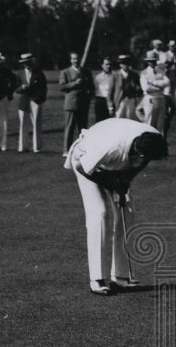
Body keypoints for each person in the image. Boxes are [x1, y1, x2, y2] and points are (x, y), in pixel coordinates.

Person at [64, 118, 168, 295]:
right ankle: (97, 279)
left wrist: (124, 183)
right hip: (84, 158)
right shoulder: (110, 147)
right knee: (100, 213)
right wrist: (113, 185)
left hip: (116, 164)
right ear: (139, 152)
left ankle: (120, 276)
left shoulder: (154, 139)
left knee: (127, 210)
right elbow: (83, 167)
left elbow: (141, 162)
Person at [59, 52, 93, 153]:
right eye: (73, 59)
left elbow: (91, 86)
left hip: (83, 104)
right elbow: (62, 87)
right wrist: (74, 83)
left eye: (77, 58)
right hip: (71, 104)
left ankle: (82, 149)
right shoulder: (65, 72)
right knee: (70, 127)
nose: (76, 60)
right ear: (71, 60)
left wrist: (89, 98)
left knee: (83, 128)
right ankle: (67, 150)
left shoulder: (86, 71)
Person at [16, 53, 47, 153]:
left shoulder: (38, 73)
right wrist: (21, 88)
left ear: (31, 62)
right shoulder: (20, 74)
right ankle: (23, 147)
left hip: (36, 100)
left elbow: (44, 88)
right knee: (23, 124)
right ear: (23, 64)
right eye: (25, 63)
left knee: (36, 124)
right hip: (24, 101)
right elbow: (16, 89)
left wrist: (40, 99)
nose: (27, 65)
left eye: (28, 62)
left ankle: (36, 147)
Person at [140, 50, 171, 133]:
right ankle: (149, 143)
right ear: (147, 62)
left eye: (154, 61)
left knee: (160, 124)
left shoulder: (161, 71)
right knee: (149, 122)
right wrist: (160, 88)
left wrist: (154, 83)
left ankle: (158, 143)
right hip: (150, 99)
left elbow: (167, 82)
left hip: (160, 98)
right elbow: (146, 88)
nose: (152, 63)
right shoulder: (144, 73)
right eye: (150, 61)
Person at [112, 54, 142, 120]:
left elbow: (139, 89)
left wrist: (136, 89)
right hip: (120, 100)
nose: (125, 65)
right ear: (120, 64)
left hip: (131, 99)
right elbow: (111, 90)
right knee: (119, 118)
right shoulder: (115, 75)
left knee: (130, 118)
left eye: (127, 63)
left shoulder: (134, 75)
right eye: (123, 63)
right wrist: (111, 104)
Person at [93, 57, 116, 124]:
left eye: (110, 64)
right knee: (100, 123)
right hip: (100, 102)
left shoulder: (115, 76)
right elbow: (95, 90)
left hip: (112, 101)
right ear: (102, 65)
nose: (108, 66)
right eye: (106, 64)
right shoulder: (98, 77)